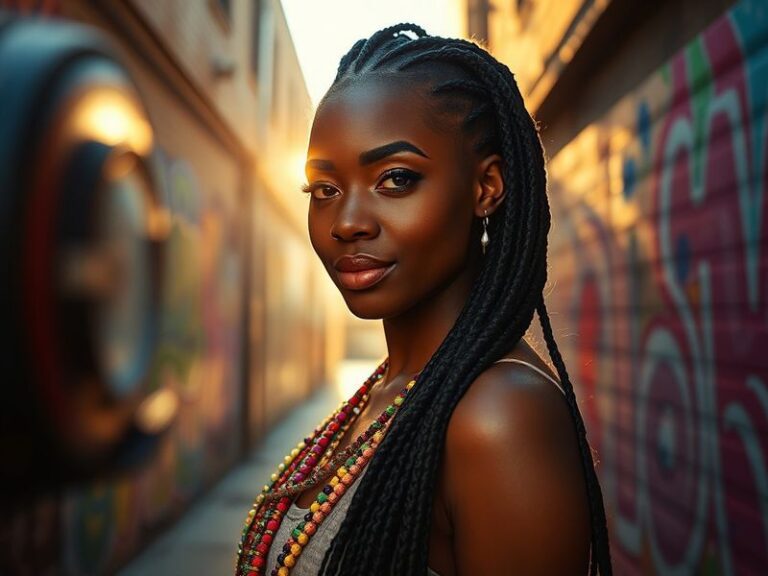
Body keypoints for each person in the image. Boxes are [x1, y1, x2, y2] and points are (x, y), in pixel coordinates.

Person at [236, 23, 612, 576]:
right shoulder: (395, 388)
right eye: (324, 190)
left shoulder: (499, 417)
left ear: (486, 188)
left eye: (395, 179)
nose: (347, 223)